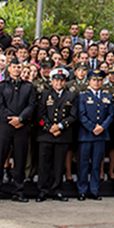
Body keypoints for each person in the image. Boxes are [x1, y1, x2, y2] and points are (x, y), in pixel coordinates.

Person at [0, 59, 35, 204]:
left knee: (20, 160)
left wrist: (20, 118)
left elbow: (31, 105)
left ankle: (18, 191)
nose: (16, 69)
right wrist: (12, 119)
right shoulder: (1, 86)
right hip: (5, 127)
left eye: (19, 67)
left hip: (21, 127)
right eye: (14, 67)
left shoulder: (28, 86)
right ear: (9, 69)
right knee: (0, 159)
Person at [36, 67, 77, 202]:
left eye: (61, 80)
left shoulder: (71, 96)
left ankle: (57, 190)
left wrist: (59, 126)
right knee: (44, 164)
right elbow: (40, 114)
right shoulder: (44, 94)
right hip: (46, 134)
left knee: (59, 165)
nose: (59, 83)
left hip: (62, 134)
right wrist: (49, 127)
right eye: (56, 80)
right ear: (52, 81)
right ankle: (43, 190)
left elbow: (73, 115)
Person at [77, 70, 114, 201]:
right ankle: (82, 190)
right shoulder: (83, 96)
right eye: (94, 80)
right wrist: (93, 127)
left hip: (101, 135)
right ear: (89, 81)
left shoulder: (107, 97)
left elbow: (110, 114)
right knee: (83, 164)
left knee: (97, 164)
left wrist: (102, 127)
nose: (97, 82)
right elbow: (81, 115)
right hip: (86, 135)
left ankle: (94, 190)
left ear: (103, 81)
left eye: (99, 80)